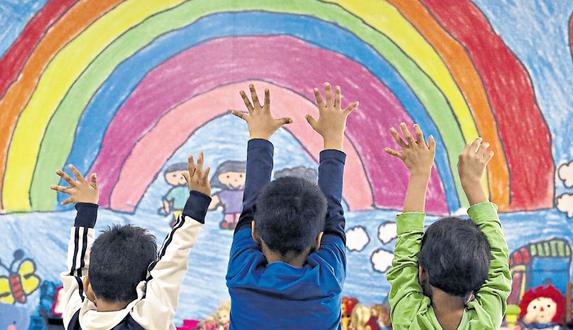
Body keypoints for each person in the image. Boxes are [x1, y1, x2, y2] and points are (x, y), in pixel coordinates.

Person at [227, 83, 358, 328]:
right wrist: (332, 137)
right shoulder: (327, 280)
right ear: (318, 241)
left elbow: (333, 217)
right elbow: (250, 211)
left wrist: (260, 137)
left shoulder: (241, 275)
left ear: (255, 233)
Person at [50, 153, 212, 329]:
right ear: (145, 288)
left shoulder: (76, 319)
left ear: (89, 287)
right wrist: (199, 200)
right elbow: (171, 260)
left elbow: (77, 271)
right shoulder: (147, 321)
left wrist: (86, 209)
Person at [384, 124, 512, 329]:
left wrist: (419, 173)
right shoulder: (486, 319)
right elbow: (498, 262)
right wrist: (472, 182)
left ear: (422, 272)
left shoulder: (408, 319)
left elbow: (498, 262)